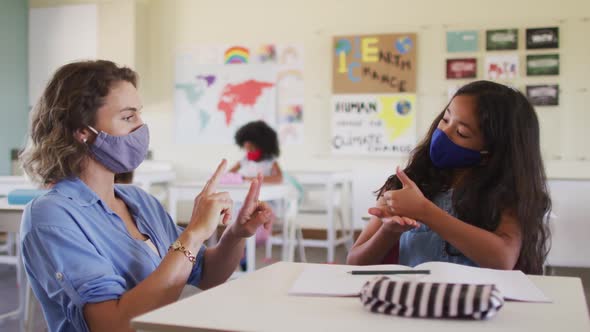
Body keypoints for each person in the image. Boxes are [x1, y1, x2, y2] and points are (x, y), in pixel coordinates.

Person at [19, 60, 274, 332]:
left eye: (139, 115)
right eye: (128, 117)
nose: (141, 127)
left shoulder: (138, 200)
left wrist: (236, 234)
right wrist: (193, 234)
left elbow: (207, 274)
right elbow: (113, 325)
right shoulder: (51, 215)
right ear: (83, 131)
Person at [347, 80, 551, 275]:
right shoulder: (407, 184)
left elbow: (502, 259)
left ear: (492, 151)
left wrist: (424, 211)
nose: (444, 132)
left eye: (462, 132)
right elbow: (355, 262)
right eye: (445, 119)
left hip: (476, 305)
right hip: (414, 302)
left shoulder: (505, 196)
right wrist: (389, 232)